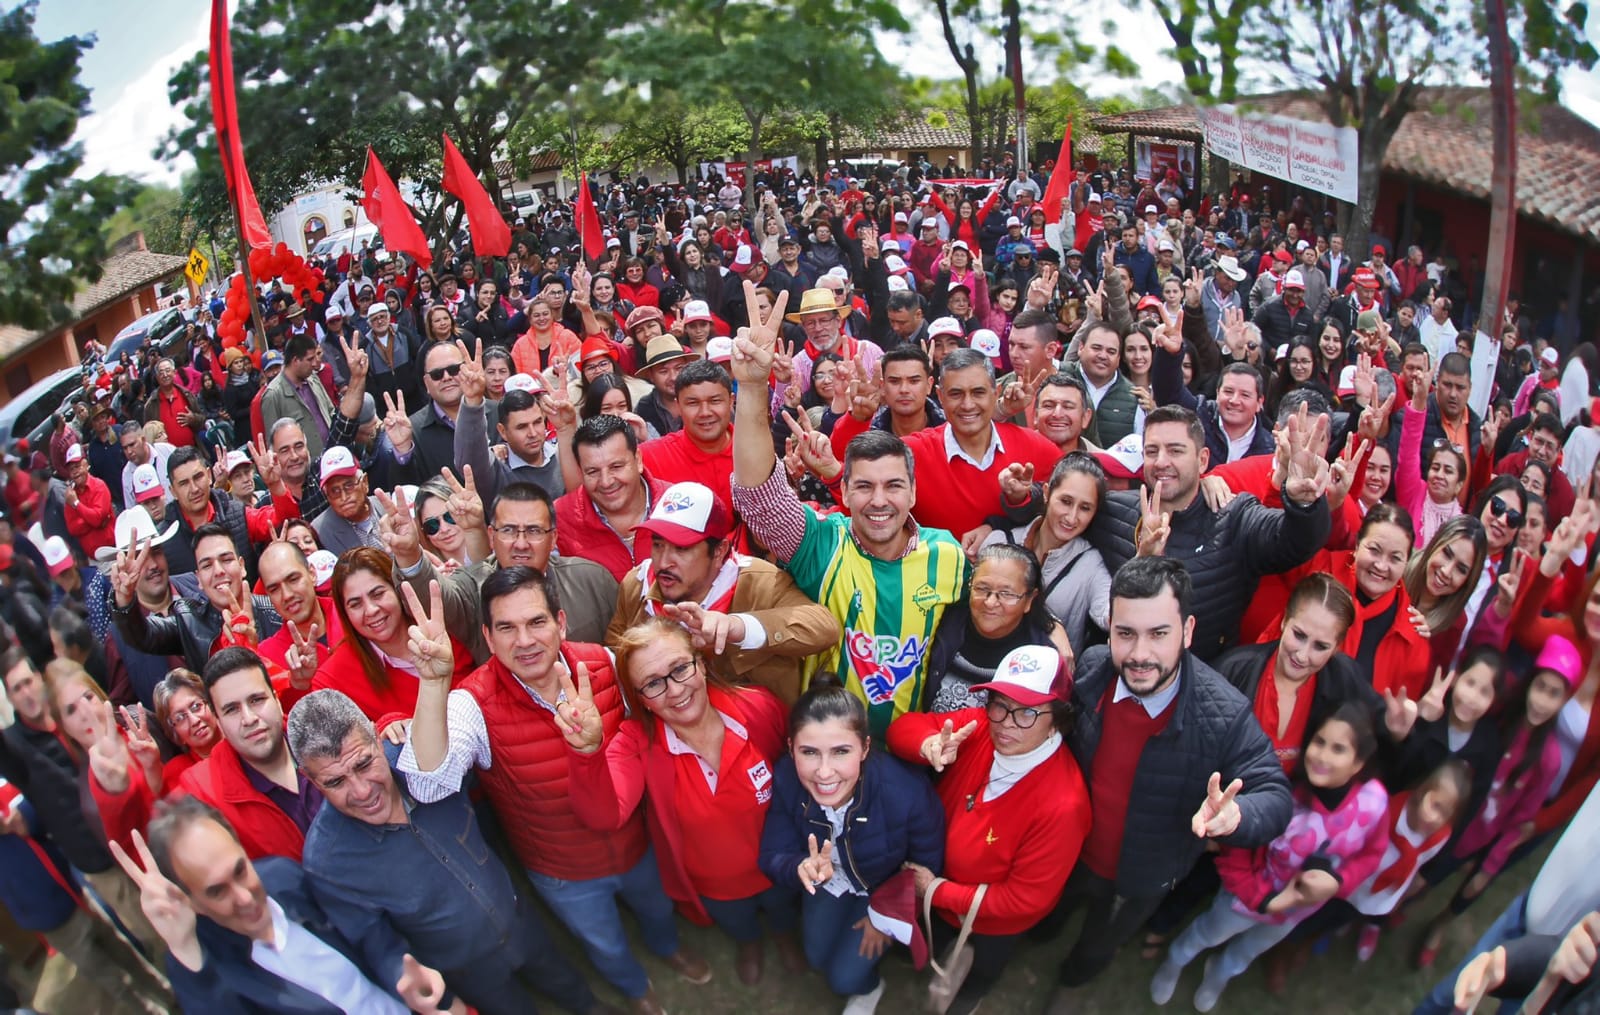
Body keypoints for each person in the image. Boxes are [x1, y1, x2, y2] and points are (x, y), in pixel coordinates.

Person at [398, 567, 709, 1015]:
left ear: (560, 623)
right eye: (506, 627)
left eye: (536, 622)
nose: (524, 640)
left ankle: (668, 948)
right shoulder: (473, 702)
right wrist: (433, 683)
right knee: (602, 940)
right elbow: (428, 785)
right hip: (563, 871)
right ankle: (634, 986)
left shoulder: (602, 663)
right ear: (487, 635)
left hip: (634, 843)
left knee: (656, 907)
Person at [1040, 557, 1292, 1010]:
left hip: (1140, 878)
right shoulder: (1095, 670)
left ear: (1188, 631)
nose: (1139, 654)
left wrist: (1238, 816)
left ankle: (1072, 983)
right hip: (1070, 853)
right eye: (1125, 633)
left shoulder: (1224, 714)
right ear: (1110, 627)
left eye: (1159, 634)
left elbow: (1274, 795)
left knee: (1099, 941)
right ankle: (1039, 936)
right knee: (1053, 911)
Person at [730, 284, 967, 736]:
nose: (879, 501)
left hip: (913, 754)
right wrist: (754, 387)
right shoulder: (824, 542)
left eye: (893, 486)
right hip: (823, 753)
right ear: (844, 489)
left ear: (914, 493)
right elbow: (760, 496)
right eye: (864, 486)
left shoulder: (949, 557)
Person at [290, 690, 614, 1015]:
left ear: (377, 736)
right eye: (335, 782)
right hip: (468, 971)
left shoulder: (424, 760)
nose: (361, 791)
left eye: (364, 764)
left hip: (519, 919)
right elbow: (373, 940)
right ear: (309, 779)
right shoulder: (328, 863)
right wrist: (402, 974)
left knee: (564, 980)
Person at [564, 617, 803, 985]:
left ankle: (785, 939)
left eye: (679, 668)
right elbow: (605, 814)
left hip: (780, 868)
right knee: (739, 923)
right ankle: (750, 944)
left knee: (783, 912)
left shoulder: (758, 708)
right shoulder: (636, 743)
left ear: (701, 662)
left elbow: (797, 774)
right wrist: (588, 754)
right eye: (653, 684)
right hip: (716, 886)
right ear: (640, 699)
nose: (674, 691)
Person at [108, 797, 465, 1015]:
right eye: (217, 892)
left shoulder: (283, 876)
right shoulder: (203, 966)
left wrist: (404, 977)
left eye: (240, 870)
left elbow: (365, 932)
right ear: (192, 902)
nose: (245, 897)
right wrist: (184, 947)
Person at [888, 643, 1092, 1015]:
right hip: (938, 892)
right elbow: (902, 729)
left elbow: (1024, 899)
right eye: (1000, 704)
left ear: (1057, 719)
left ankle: (969, 999)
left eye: (1027, 712)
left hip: (990, 920)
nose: (1007, 723)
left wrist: (936, 890)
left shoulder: (1064, 804)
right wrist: (928, 744)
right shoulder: (981, 727)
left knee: (982, 967)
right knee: (932, 938)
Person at [1150, 704, 1389, 1012]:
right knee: (1206, 934)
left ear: (1358, 763)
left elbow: (1372, 854)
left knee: (1247, 952)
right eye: (1319, 742)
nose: (1322, 756)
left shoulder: (1375, 802)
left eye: (1338, 749)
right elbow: (1234, 858)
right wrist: (1265, 901)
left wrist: (1338, 882)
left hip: (1298, 911)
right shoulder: (1280, 797)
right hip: (1245, 900)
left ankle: (1220, 974)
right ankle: (1175, 961)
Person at [1077, 402, 1331, 659]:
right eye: (1152, 451)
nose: (1161, 461)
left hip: (1204, 680)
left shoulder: (1234, 516)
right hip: (1122, 674)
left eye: (1176, 451)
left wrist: (1303, 504)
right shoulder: (1111, 510)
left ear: (1202, 460)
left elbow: (1293, 542)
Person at [757, 680, 945, 1014]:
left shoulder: (906, 790)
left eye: (841, 751)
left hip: (882, 892)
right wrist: (799, 867)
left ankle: (870, 987)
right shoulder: (786, 776)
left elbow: (925, 870)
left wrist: (883, 916)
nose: (824, 772)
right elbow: (773, 853)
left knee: (843, 979)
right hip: (830, 882)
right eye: (809, 752)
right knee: (815, 956)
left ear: (865, 748)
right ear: (791, 747)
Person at [604, 481, 839, 703]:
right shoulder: (636, 585)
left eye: (682, 549)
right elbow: (617, 660)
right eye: (657, 545)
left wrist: (738, 627)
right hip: (668, 740)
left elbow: (824, 627)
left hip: (762, 738)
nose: (664, 561)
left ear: (719, 552)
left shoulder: (759, 582)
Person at [829, 347, 1064, 540]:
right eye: (956, 394)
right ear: (940, 396)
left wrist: (1003, 523)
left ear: (996, 392)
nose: (968, 404)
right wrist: (856, 419)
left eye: (978, 392)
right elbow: (860, 499)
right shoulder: (912, 451)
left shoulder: (1035, 448)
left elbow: (1074, 505)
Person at [179, 647, 325, 861]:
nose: (248, 718)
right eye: (231, 710)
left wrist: (391, 725)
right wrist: (122, 789)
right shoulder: (203, 790)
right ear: (218, 722)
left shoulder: (320, 733)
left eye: (256, 700)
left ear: (276, 699)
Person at [312, 547, 474, 727]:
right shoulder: (334, 678)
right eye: (355, 604)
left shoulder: (442, 621)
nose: (371, 610)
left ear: (396, 589)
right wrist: (383, 730)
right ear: (345, 614)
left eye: (378, 594)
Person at [112, 523, 283, 675]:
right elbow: (143, 635)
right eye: (207, 565)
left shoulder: (276, 612)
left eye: (226, 559)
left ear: (242, 567)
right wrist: (125, 600)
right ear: (198, 579)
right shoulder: (189, 622)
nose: (218, 571)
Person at [259, 336, 337, 461]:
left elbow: (331, 411)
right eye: (310, 359)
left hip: (333, 456)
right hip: (304, 468)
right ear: (295, 360)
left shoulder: (313, 379)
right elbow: (273, 444)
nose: (315, 363)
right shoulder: (273, 395)